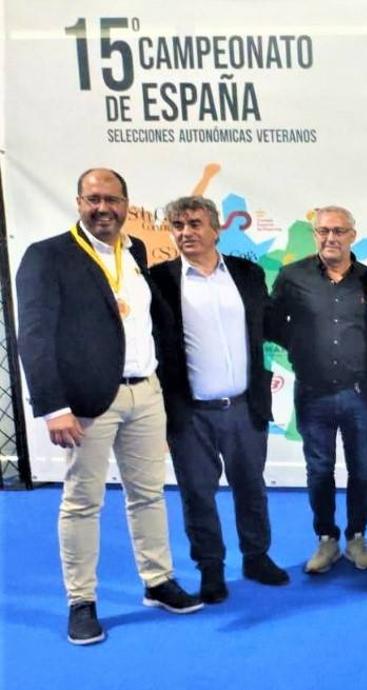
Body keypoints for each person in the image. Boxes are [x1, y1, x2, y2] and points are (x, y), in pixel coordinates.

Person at [16, 168, 201, 644]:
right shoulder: (47, 256)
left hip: (146, 392)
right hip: (87, 402)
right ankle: (81, 601)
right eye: (94, 199)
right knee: (82, 502)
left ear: (126, 204)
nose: (103, 208)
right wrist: (53, 407)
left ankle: (158, 581)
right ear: (79, 201)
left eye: (112, 200)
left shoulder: (134, 251)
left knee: (149, 494)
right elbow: (34, 336)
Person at [148, 195, 288, 602]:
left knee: (251, 487)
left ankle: (256, 557)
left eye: (194, 224)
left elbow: (270, 325)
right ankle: (210, 568)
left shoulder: (247, 273)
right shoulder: (158, 280)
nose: (185, 233)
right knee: (197, 493)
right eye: (177, 226)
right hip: (189, 412)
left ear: (216, 228)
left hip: (245, 405)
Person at [266, 205, 367, 574]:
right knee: (319, 470)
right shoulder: (292, 276)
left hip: (360, 392)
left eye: (339, 231)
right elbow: (270, 322)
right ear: (315, 234)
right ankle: (327, 539)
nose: (331, 238)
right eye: (323, 231)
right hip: (312, 392)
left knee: (362, 470)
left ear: (353, 235)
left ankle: (357, 537)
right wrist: (299, 345)